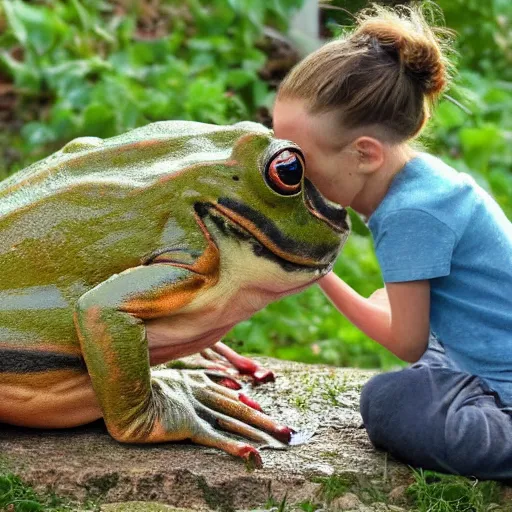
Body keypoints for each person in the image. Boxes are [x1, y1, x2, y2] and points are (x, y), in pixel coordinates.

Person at [272, 4, 512, 478]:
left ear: (364, 154)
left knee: (387, 402)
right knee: (395, 313)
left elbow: (406, 342)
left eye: (303, 164)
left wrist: (318, 273)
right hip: (483, 346)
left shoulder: (409, 215)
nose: (295, 177)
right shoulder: (424, 181)